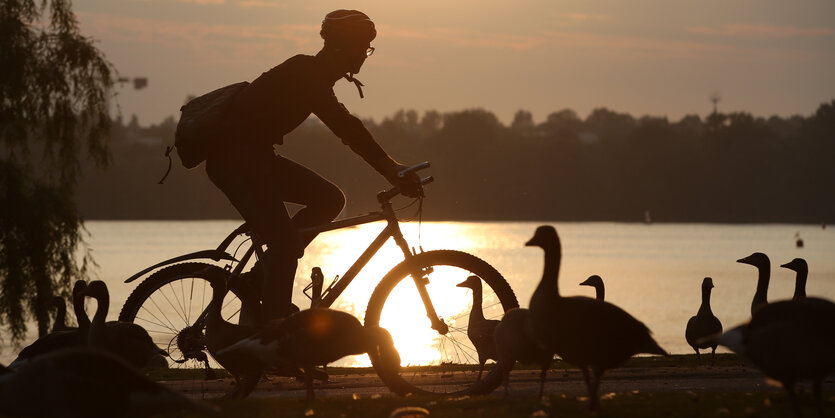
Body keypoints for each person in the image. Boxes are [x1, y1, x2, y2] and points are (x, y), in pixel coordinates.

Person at [204, 9, 421, 322]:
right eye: (361, 47)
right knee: (283, 242)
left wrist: (392, 168)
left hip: (256, 159)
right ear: (341, 48)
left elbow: (346, 125)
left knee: (330, 200)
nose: (364, 55)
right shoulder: (305, 73)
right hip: (236, 162)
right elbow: (345, 127)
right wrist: (391, 168)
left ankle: (260, 280)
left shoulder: (314, 76)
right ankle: (274, 331)